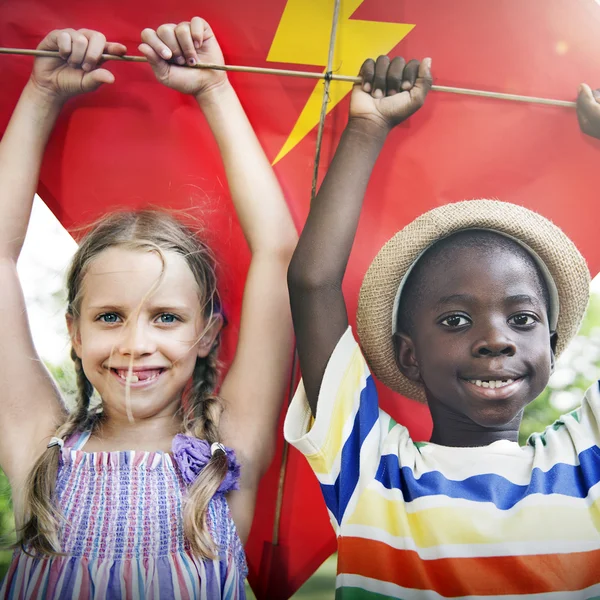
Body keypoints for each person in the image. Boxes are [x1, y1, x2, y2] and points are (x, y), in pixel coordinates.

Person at [0, 18, 296, 599]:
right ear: (75, 333)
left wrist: (214, 88)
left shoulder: (229, 448)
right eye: (109, 317)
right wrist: (40, 95)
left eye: (167, 317)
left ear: (208, 333)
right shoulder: (36, 445)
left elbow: (279, 254)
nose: (136, 343)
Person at [285, 55, 600, 598]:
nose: (496, 339)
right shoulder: (373, 469)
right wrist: (365, 127)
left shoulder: (585, 459)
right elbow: (312, 284)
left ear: (550, 344)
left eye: (522, 319)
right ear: (409, 356)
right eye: (456, 319)